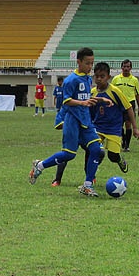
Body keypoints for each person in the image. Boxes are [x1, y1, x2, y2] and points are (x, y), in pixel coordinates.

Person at [29, 47, 111, 197]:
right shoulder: (70, 80)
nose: (90, 67)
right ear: (78, 62)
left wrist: (100, 99)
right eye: (87, 63)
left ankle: (87, 185)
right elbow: (66, 101)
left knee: (96, 150)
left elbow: (85, 97)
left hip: (86, 120)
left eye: (92, 63)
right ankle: (40, 165)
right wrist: (82, 103)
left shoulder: (87, 78)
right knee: (69, 155)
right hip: (72, 120)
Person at [51, 62, 139, 187]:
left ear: (108, 77)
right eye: (97, 76)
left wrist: (135, 128)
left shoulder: (115, 91)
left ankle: (119, 160)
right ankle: (89, 178)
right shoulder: (91, 92)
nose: (99, 79)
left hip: (114, 129)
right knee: (93, 149)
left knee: (112, 156)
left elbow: (129, 108)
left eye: (102, 76)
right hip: (96, 127)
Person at [111, 59, 139, 152]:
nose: (126, 68)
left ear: (131, 68)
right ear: (121, 67)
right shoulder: (116, 79)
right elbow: (111, 92)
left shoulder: (134, 80)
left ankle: (127, 146)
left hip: (130, 104)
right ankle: (123, 140)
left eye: (128, 66)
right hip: (118, 105)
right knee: (119, 125)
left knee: (128, 125)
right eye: (124, 66)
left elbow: (137, 94)